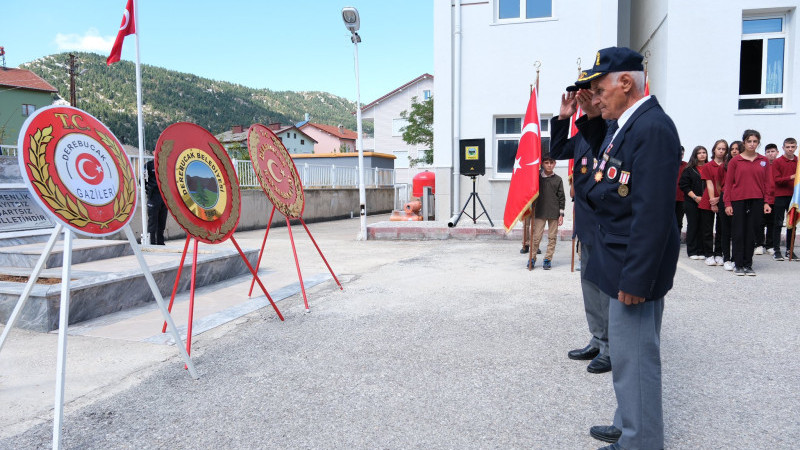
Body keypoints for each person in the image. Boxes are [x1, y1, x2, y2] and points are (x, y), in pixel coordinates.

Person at [572, 47, 680, 450]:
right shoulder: (629, 124)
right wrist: (590, 116)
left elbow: (653, 213)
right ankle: (628, 425)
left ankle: (640, 443)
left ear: (625, 83)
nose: (597, 99)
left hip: (631, 268)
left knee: (635, 361)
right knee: (628, 359)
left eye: (600, 91)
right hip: (619, 259)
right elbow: (605, 163)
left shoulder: (652, 127)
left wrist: (636, 278)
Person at [550, 91, 612, 373]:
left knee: (606, 288)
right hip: (586, 222)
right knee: (590, 285)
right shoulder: (584, 134)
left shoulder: (614, 130)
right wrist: (564, 119)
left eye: (594, 95)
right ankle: (598, 339)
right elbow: (557, 151)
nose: (588, 101)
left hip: (607, 222)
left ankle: (612, 347)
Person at [724, 130, 773, 276]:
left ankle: (747, 264)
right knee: (738, 232)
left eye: (755, 141)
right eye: (749, 141)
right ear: (744, 143)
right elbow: (728, 183)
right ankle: (738, 264)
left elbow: (768, 183)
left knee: (751, 233)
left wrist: (767, 202)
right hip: (738, 200)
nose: (752, 144)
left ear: (758, 143)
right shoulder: (735, 161)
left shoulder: (763, 161)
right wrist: (727, 203)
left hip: (757, 200)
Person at [529, 154, 565, 270]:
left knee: (552, 237)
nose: (549, 165)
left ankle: (547, 259)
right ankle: (532, 258)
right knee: (536, 237)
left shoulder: (558, 179)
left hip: (554, 213)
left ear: (555, 164)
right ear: (542, 164)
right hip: (540, 211)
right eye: (546, 163)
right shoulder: (536, 178)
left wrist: (561, 214)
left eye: (551, 163)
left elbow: (561, 198)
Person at [679, 146, 710, 261]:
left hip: (706, 201)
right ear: (695, 155)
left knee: (704, 225)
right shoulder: (689, 169)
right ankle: (692, 250)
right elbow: (684, 185)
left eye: (704, 152)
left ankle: (701, 250)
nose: (702, 154)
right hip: (691, 201)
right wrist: (695, 197)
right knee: (693, 225)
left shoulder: (709, 167)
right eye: (699, 153)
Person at [771, 137, 798, 260]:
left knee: (792, 223)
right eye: (788, 147)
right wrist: (791, 177)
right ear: (783, 148)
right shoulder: (777, 162)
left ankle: (789, 250)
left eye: (792, 147)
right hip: (780, 196)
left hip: (794, 197)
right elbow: (776, 180)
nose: (790, 149)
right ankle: (776, 250)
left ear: (796, 147)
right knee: (778, 223)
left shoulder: (798, 161)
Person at [703, 139, 728, 266]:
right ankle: (708, 254)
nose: (721, 151)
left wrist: (719, 199)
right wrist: (713, 201)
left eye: (724, 149)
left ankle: (719, 253)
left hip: (723, 198)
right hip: (709, 198)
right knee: (707, 228)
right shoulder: (708, 166)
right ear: (714, 150)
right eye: (719, 148)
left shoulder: (728, 165)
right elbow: (710, 183)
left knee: (721, 228)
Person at [718, 141, 742, 270]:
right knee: (725, 230)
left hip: (740, 199)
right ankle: (726, 258)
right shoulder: (724, 166)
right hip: (725, 198)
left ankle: (735, 258)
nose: (734, 151)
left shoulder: (744, 165)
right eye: (732, 149)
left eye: (737, 149)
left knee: (737, 230)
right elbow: (718, 184)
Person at [756, 143, 779, 254]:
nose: (770, 154)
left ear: (777, 152)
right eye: (768, 152)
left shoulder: (779, 164)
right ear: (765, 154)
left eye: (773, 151)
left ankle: (770, 245)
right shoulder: (762, 164)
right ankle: (759, 244)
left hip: (776, 198)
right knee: (760, 222)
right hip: (763, 197)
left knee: (772, 222)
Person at [145, 158, 168, 245]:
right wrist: (149, 190)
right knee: (152, 222)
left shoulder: (165, 164)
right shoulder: (149, 165)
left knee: (162, 222)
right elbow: (142, 180)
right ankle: (151, 243)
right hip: (153, 197)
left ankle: (160, 242)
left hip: (164, 196)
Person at [675, 147, 688, 230]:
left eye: (682, 154)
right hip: (668, 198)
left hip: (682, 198)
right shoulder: (665, 164)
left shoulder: (686, 166)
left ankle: (677, 237)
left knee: (679, 221)